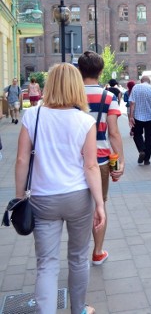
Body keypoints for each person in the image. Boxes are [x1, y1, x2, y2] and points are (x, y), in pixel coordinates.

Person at [15, 63, 105, 314]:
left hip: (43, 200)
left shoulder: (33, 115)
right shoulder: (85, 120)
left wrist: (19, 196)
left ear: (49, 85)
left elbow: (22, 159)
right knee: (78, 258)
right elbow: (90, 166)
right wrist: (99, 204)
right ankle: (79, 310)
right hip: (78, 198)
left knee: (46, 263)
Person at [77, 51, 125, 267]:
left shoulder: (71, 96)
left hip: (75, 162)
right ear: (101, 71)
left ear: (79, 70)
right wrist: (120, 162)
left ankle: (78, 252)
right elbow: (113, 133)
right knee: (99, 204)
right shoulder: (109, 97)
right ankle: (97, 252)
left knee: (78, 207)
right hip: (101, 162)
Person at [128, 75, 151, 165]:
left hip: (138, 117)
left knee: (137, 135)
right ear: (149, 82)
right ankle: (146, 159)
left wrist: (131, 117)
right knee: (149, 138)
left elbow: (132, 103)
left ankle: (141, 150)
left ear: (141, 81)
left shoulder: (135, 88)